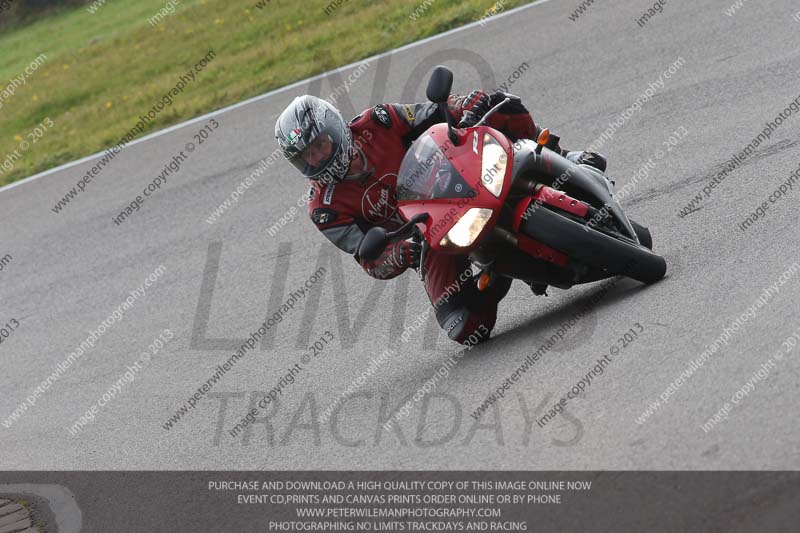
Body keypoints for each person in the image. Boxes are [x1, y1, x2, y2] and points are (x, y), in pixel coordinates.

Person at [275, 90, 606, 344]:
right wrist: (402, 253)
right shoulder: (325, 209)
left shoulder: (379, 121)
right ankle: (495, 274)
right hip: (428, 237)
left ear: (334, 128)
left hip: (456, 176)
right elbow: (368, 256)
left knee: (502, 104)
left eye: (319, 144)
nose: (317, 158)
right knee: (464, 326)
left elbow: (435, 111)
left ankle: (563, 157)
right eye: (307, 156)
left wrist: (464, 104)